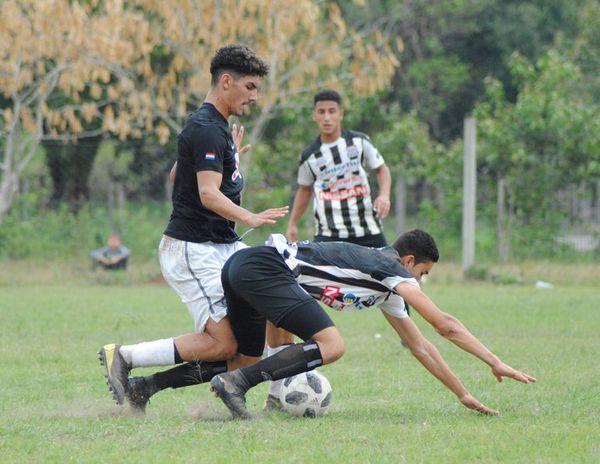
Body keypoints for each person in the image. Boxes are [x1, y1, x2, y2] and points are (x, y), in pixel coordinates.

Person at [97, 44, 288, 412]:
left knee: (256, 326)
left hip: (220, 245)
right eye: (250, 87)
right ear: (227, 81)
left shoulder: (215, 129)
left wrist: (225, 153)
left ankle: (148, 388)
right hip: (193, 249)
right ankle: (123, 356)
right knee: (222, 344)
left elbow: (176, 175)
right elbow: (207, 194)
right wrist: (249, 216)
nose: (254, 96)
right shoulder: (206, 127)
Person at [210, 230, 536, 419]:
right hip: (267, 267)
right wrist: (495, 361)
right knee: (332, 345)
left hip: (267, 271)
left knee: (281, 328)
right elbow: (444, 325)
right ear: (408, 261)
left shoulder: (387, 289)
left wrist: (462, 394)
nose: (420, 282)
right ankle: (238, 382)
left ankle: (273, 399)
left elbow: (420, 345)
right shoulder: (390, 269)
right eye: (422, 273)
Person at [264, 89, 393, 409]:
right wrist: (293, 221)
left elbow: (382, 169)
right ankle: (278, 387)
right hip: (328, 240)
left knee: (399, 295)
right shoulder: (310, 156)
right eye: (320, 112)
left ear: (340, 113)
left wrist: (384, 194)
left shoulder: (359, 143)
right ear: (314, 115)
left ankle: (410, 340)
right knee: (288, 304)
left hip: (368, 236)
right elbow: (304, 191)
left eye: (331, 111)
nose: (326, 117)